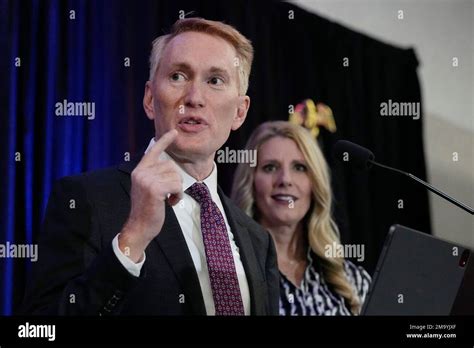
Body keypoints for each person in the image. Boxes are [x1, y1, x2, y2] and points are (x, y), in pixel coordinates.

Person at [21, 18, 279, 316]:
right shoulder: (86, 199)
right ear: (149, 98)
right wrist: (133, 238)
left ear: (239, 111)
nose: (194, 98)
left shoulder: (258, 242)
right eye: (178, 76)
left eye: (215, 81)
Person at [231, 121, 371, 315]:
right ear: (251, 182)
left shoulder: (352, 280)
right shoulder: (229, 273)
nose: (285, 180)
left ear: (315, 184)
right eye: (270, 167)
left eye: (299, 168)